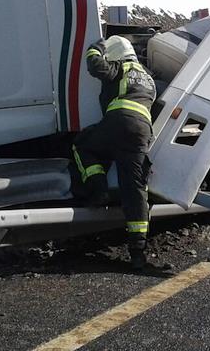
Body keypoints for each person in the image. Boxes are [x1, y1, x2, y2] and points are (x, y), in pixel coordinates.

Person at [72, 35, 156, 269]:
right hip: (141, 132)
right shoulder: (148, 78)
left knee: (84, 145)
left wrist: (94, 48)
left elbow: (95, 65)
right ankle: (138, 251)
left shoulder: (120, 67)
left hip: (118, 121)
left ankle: (98, 190)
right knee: (135, 187)